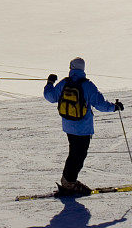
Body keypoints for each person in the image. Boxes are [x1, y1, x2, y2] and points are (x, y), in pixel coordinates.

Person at [43, 57, 124, 195]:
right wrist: (115, 107)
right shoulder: (87, 85)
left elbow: (50, 96)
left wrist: (50, 82)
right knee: (78, 156)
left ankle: (69, 181)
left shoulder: (64, 83)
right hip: (83, 128)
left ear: (71, 68)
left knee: (74, 154)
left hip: (68, 126)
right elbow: (100, 104)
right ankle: (69, 183)